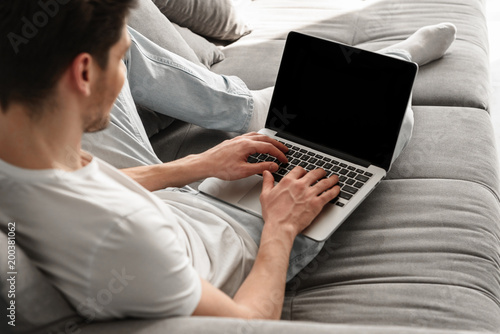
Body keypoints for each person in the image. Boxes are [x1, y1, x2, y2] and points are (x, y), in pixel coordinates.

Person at [0, 0, 457, 322]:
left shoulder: (21, 153)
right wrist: (282, 225)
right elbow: (246, 321)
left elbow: (82, 183)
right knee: (388, 121)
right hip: (246, 234)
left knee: (92, 18)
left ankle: (247, 108)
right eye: (119, 62)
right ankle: (392, 62)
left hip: (178, 202)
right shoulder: (124, 239)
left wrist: (197, 164)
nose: (123, 72)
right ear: (83, 75)